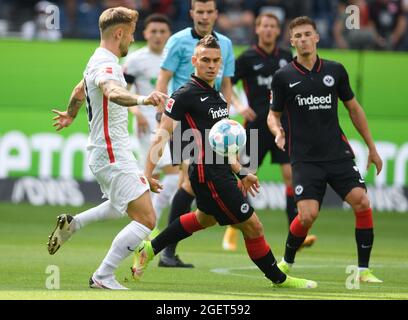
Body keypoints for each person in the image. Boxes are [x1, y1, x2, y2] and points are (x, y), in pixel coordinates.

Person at [131, 35, 317, 289]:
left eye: (216, 61)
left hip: (220, 170)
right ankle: (279, 278)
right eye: (205, 60)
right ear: (194, 61)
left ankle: (149, 249)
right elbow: (162, 134)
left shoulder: (217, 95)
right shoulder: (184, 94)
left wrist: (241, 171)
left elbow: (221, 144)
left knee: (203, 219)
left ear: (221, 63)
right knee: (253, 226)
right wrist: (147, 175)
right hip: (208, 174)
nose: (211, 65)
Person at [47, 7, 167, 290]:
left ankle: (73, 224)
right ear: (119, 33)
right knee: (147, 218)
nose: (132, 40)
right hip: (112, 153)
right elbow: (112, 91)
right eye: (132, 34)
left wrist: (70, 113)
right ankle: (103, 276)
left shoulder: (96, 59)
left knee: (119, 205)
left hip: (106, 152)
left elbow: (79, 91)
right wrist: (142, 100)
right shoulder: (109, 66)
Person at [268, 16, 383, 283]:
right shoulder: (283, 77)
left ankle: (363, 270)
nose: (303, 39)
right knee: (307, 216)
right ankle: (286, 261)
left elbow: (353, 109)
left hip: (337, 153)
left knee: (362, 201)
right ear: (292, 41)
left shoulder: (335, 70)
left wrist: (372, 148)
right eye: (297, 36)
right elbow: (272, 115)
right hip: (305, 159)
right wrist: (278, 131)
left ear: (317, 37)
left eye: (308, 34)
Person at [222, 12, 316, 251]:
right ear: (257, 29)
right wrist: (240, 106)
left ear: (278, 30)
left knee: (290, 176)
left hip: (283, 128)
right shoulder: (246, 58)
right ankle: (233, 229)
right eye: (264, 25)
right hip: (255, 128)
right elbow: (227, 84)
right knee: (245, 177)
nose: (268, 30)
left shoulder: (287, 57)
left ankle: (297, 233)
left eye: (272, 26)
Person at [154, 0, 235, 268]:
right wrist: (162, 111)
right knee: (187, 183)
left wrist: (227, 119)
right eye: (199, 11)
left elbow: (226, 84)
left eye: (208, 11)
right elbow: (164, 77)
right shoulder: (178, 41)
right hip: (185, 121)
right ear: (192, 14)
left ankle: (165, 248)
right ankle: (165, 250)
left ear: (215, 14)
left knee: (189, 187)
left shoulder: (225, 44)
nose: (203, 16)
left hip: (214, 123)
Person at [123, 13, 178, 234]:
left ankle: (144, 223)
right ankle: (149, 224)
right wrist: (136, 113)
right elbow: (122, 93)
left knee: (154, 178)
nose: (157, 35)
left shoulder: (173, 57)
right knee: (170, 175)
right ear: (145, 33)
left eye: (162, 31)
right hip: (147, 124)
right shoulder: (135, 60)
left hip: (170, 122)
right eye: (153, 31)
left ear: (169, 35)